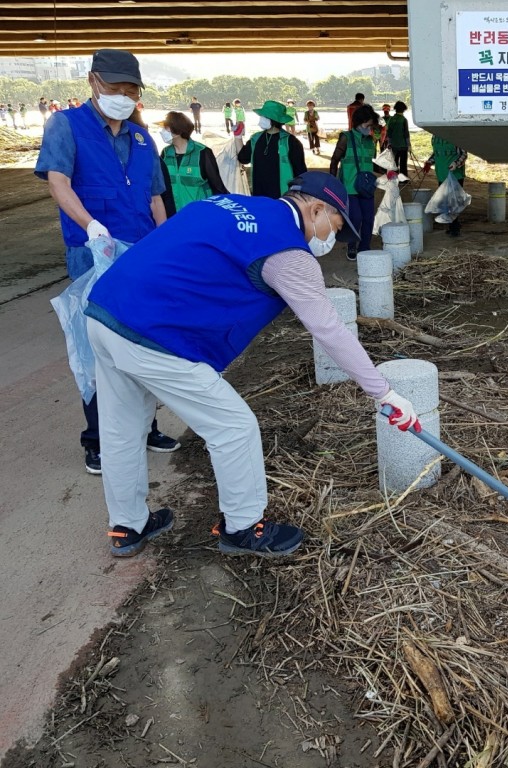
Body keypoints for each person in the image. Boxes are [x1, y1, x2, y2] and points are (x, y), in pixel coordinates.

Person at [83, 171, 421, 557]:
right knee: (234, 427)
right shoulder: (288, 251)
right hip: (155, 332)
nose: (327, 238)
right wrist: (384, 392)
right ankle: (243, 528)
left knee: (121, 427)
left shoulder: (233, 204)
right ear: (316, 208)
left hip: (105, 310)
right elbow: (328, 328)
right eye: (334, 226)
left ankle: (128, 526)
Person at [34, 48, 179, 475]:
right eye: (114, 87)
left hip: (140, 253)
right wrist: (90, 224)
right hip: (92, 254)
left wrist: (164, 242)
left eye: (130, 89)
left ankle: (146, 426)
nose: (122, 95)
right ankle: (96, 439)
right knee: (98, 345)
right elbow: (58, 183)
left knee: (143, 341)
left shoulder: (140, 137)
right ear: (94, 82)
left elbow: (155, 198)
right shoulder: (66, 125)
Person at [330, 103, 379, 260]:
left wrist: (389, 171)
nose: (370, 127)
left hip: (366, 186)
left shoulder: (370, 140)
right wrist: (333, 182)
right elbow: (334, 160)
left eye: (371, 124)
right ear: (359, 122)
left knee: (368, 218)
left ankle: (364, 247)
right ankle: (351, 245)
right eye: (368, 124)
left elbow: (374, 162)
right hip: (349, 186)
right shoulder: (346, 138)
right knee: (355, 217)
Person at [158, 111, 228, 214]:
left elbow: (218, 187)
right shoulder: (165, 153)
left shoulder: (202, 152)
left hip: (199, 216)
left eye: (166, 128)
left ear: (177, 131)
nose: (162, 131)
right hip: (174, 217)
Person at [237, 100, 307, 199]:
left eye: (265, 117)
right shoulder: (255, 139)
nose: (261, 119)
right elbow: (243, 158)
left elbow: (300, 172)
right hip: (259, 195)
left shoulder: (290, 142)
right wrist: (238, 137)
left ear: (275, 120)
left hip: (283, 196)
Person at [423, 134, 468, 236]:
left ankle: (455, 228)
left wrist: (456, 164)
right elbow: (436, 153)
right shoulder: (435, 137)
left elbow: (463, 154)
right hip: (442, 174)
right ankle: (453, 225)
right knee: (446, 203)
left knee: (454, 202)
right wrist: (429, 162)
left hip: (455, 175)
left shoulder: (455, 135)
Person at [387, 101, 410, 178]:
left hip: (393, 145)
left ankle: (394, 178)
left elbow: (389, 132)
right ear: (403, 110)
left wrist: (389, 143)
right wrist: (409, 145)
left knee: (394, 163)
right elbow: (406, 133)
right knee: (403, 163)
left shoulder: (391, 119)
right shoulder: (404, 120)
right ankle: (403, 179)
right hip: (403, 145)